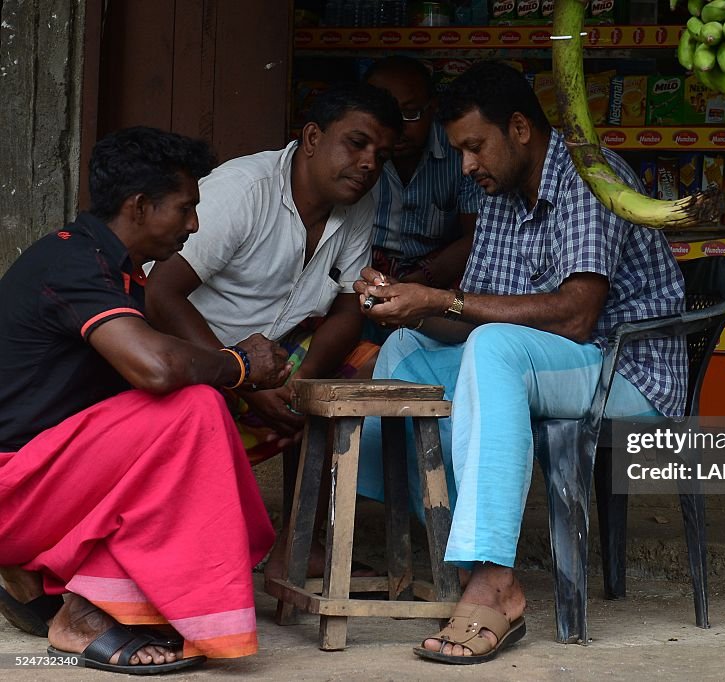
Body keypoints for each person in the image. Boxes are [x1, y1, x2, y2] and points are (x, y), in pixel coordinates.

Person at [352, 61, 689, 664]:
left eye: (476, 147)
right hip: (551, 365)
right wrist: (408, 307)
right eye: (458, 152)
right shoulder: (503, 196)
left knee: (494, 347)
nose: (467, 166)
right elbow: (471, 315)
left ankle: (495, 582)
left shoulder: (589, 177)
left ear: (520, 129)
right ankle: (441, 552)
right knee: (408, 350)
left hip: (625, 372)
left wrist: (444, 297)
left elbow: (578, 315)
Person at [0, 127, 291, 674]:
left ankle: (65, 584)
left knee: (190, 410)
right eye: (185, 209)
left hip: (41, 481)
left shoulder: (113, 271)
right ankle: (82, 614)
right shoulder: (71, 265)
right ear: (139, 206)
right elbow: (157, 369)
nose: (195, 224)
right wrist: (239, 365)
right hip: (13, 489)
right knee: (193, 408)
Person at [145, 82, 402, 463]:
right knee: (201, 406)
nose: (369, 164)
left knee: (377, 362)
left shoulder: (357, 201)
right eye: (357, 143)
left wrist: (303, 383)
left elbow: (349, 308)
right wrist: (241, 377)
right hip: (196, 355)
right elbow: (158, 294)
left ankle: (308, 516)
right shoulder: (245, 190)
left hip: (271, 362)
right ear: (313, 137)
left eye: (381, 156)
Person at [362, 56, 482, 295]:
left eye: (410, 113)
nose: (398, 129)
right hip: (365, 267)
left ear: (433, 108)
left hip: (439, 271)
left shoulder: (459, 153)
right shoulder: (355, 153)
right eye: (385, 115)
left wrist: (420, 282)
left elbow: (476, 237)